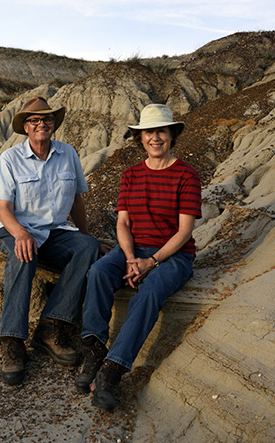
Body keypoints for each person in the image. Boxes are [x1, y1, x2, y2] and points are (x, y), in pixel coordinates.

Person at [75, 103, 202, 412]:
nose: (154, 138)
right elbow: (122, 223)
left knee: (151, 290)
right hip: (133, 248)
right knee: (99, 272)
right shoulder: (131, 175)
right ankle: (94, 347)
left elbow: (185, 231)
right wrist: (131, 258)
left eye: (161, 131)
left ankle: (113, 369)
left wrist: (151, 262)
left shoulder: (186, 176)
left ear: (171, 135)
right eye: (148, 133)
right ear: (140, 138)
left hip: (173, 256)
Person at [0, 96, 103, 386]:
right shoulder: (10, 159)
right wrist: (21, 233)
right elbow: (4, 209)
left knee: (88, 249)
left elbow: (77, 200)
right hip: (14, 227)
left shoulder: (68, 154)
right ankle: (12, 341)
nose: (42, 124)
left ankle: (51, 327)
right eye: (35, 120)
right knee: (23, 254)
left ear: (54, 124)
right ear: (26, 127)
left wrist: (86, 237)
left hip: (53, 231)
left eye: (47, 119)